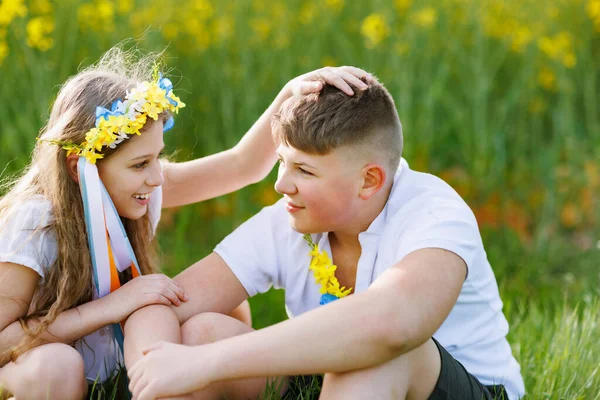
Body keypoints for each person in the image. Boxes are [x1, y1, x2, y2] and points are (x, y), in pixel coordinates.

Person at [0, 45, 368, 400]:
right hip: (32, 362)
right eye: (140, 164)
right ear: (78, 167)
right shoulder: (37, 221)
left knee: (220, 306)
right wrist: (111, 307)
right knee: (55, 368)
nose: (157, 177)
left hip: (105, 370)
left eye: (157, 157)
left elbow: (242, 166)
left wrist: (291, 93)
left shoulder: (138, 187)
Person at [126, 76, 526, 400]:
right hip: (328, 382)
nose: (282, 185)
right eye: (283, 163)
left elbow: (391, 327)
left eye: (305, 171)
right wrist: (158, 365)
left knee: (375, 357)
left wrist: (206, 364)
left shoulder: (435, 213)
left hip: (451, 387)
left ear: (369, 180)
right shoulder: (289, 219)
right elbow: (166, 301)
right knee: (200, 333)